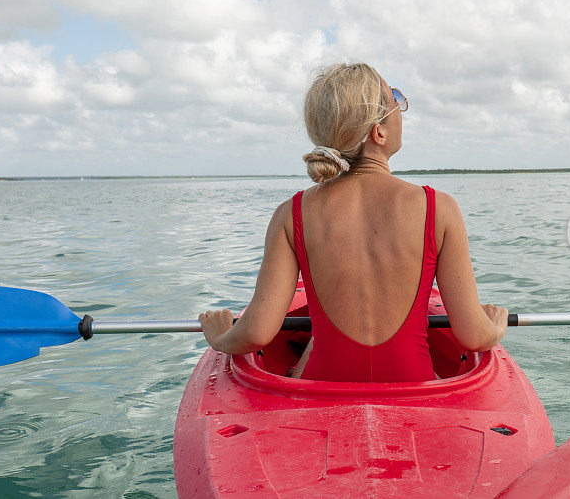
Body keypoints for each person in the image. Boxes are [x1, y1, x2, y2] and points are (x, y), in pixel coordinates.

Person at [199, 62, 508, 382]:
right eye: (397, 101)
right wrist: (495, 325)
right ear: (379, 131)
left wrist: (219, 337)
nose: (403, 109)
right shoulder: (438, 208)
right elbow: (474, 335)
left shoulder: (290, 214)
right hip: (413, 388)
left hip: (321, 390)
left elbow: (257, 333)